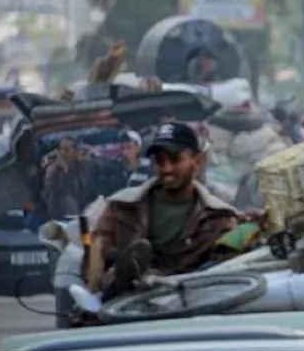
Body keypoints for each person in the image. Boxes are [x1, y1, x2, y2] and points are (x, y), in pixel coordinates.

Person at [93, 121, 239, 295]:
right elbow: (95, 260)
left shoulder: (218, 218)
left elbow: (226, 272)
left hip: (187, 304)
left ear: (197, 161)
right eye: (160, 161)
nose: (166, 168)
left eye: (175, 160)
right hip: (124, 306)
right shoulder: (122, 208)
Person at [43, 135, 94, 218]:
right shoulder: (54, 170)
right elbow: (50, 195)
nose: (62, 153)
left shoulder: (85, 166)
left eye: (67, 150)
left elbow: (84, 192)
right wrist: (64, 172)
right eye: (60, 149)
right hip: (61, 215)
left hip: (87, 213)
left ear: (76, 152)